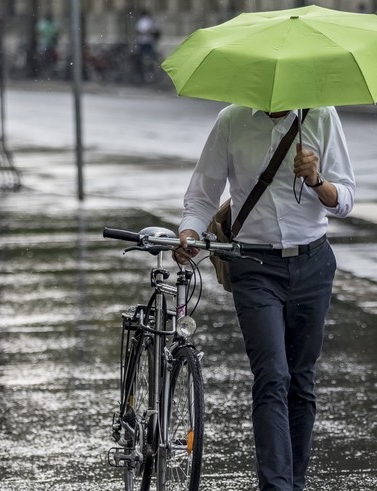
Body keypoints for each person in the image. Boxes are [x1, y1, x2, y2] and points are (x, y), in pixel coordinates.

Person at [176, 105, 356, 491]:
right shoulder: (232, 120)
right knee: (272, 375)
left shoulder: (321, 117)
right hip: (254, 266)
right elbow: (203, 194)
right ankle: (275, 487)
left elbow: (345, 199)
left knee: (301, 380)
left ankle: (294, 482)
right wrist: (190, 232)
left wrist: (316, 179)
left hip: (313, 263)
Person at [134, 9, 160, 82]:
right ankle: (147, 72)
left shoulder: (144, 21)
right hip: (147, 42)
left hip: (144, 42)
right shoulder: (148, 21)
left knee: (144, 58)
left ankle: (146, 72)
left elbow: (139, 31)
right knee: (146, 57)